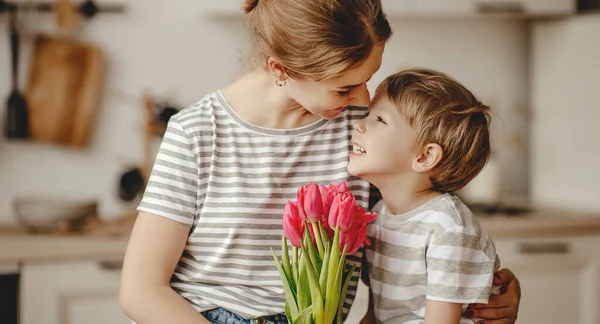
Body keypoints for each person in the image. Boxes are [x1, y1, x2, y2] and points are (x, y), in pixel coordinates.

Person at [118, 0, 521, 323]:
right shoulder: (197, 133)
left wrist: (481, 289)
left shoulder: (362, 134)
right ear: (281, 69)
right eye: (345, 87)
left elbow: (418, 233)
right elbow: (141, 291)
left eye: (368, 79)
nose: (364, 100)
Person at [349, 68, 514, 324]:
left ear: (425, 157)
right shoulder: (378, 216)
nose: (359, 124)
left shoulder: (448, 229)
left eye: (379, 119)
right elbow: (375, 316)